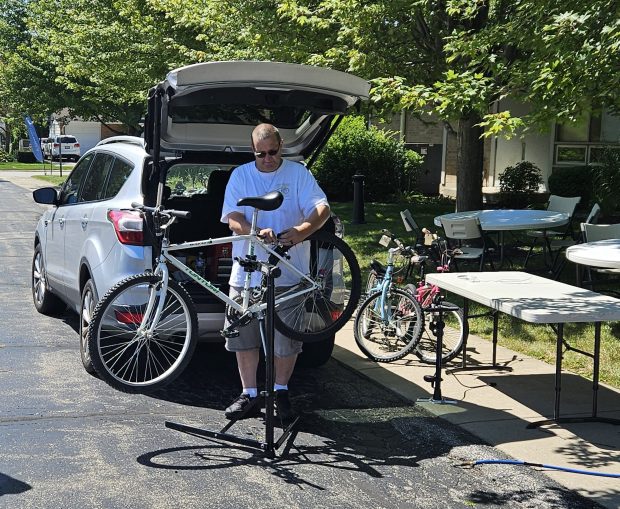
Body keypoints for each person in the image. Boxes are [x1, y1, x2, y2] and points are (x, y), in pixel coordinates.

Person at [220, 123, 330, 421]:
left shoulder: (298, 174)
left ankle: (281, 391)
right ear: (252, 150)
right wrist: (256, 232)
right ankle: (249, 394)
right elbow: (232, 218)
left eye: (272, 151)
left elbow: (322, 208)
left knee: (285, 341)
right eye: (261, 153)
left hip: (289, 271)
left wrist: (300, 231)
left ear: (281, 146)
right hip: (246, 274)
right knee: (244, 337)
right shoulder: (241, 175)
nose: (267, 158)